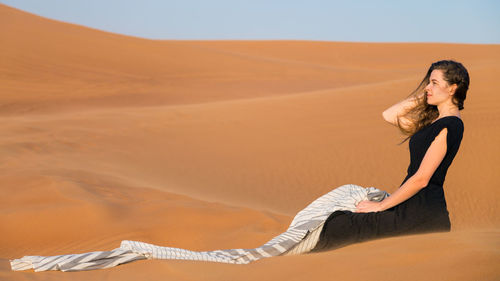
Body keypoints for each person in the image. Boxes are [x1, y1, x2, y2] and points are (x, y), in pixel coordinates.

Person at [310, 60, 469, 252]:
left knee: (341, 226)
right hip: (410, 208)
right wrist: (426, 93)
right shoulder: (434, 123)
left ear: (452, 88)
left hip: (421, 214)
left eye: (434, 82)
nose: (428, 86)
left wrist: (382, 205)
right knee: (339, 222)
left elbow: (422, 179)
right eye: (428, 82)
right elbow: (390, 115)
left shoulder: (451, 125)